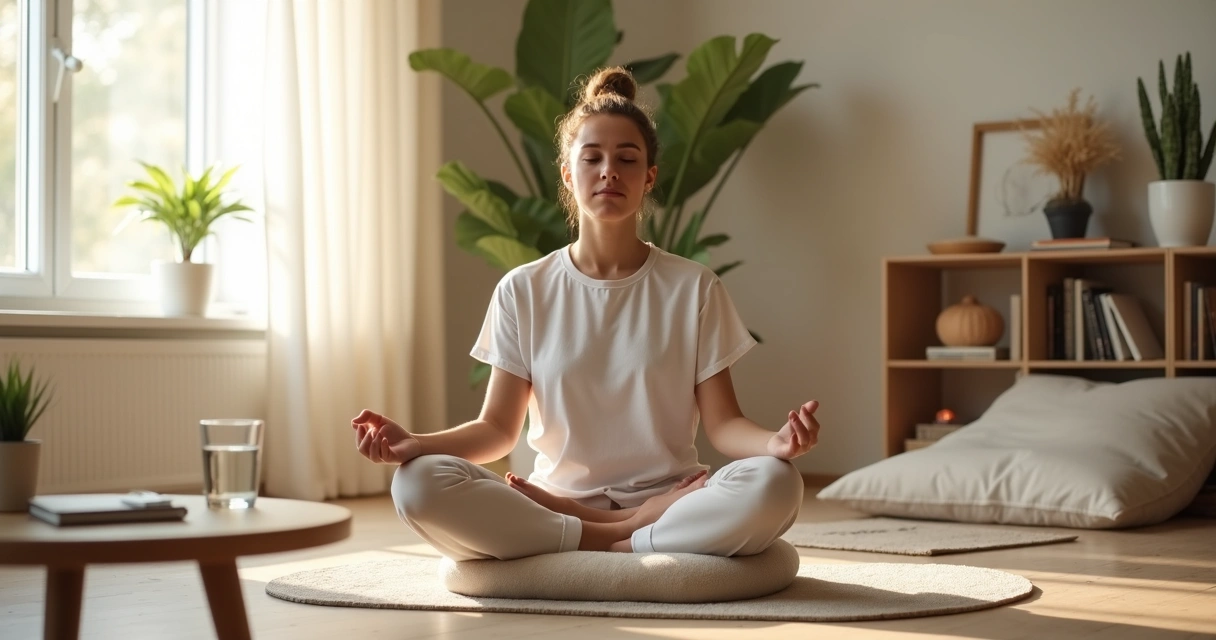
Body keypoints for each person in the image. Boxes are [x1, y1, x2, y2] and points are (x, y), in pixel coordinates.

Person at [351, 66, 821, 562]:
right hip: (554, 503)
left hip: (670, 501)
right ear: (568, 174)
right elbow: (497, 430)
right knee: (417, 484)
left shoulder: (693, 287)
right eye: (592, 157)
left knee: (776, 481)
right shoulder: (523, 289)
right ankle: (622, 535)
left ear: (649, 177)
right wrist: (416, 443)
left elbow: (724, 425)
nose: (609, 172)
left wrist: (777, 443)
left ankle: (614, 532)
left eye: (627, 159)